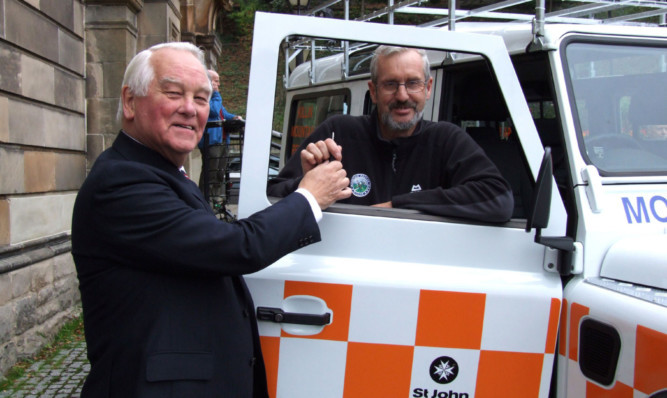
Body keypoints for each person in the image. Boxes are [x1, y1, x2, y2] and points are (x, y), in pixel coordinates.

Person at [71, 42, 351, 397]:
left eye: (202, 99)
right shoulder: (120, 182)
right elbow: (235, 246)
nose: (190, 109)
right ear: (130, 101)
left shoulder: (159, 171)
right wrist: (309, 197)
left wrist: (304, 182)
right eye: (173, 93)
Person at [268, 45, 514, 222]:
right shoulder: (338, 133)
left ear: (427, 88)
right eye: (391, 84)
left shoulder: (446, 140)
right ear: (373, 91)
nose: (403, 96)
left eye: (413, 83)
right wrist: (305, 185)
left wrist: (396, 205)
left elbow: (498, 198)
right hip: (341, 271)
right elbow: (272, 196)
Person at [198, 69, 241, 198]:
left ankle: (216, 200)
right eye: (216, 81)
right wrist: (215, 93)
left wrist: (234, 118)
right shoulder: (204, 97)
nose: (219, 84)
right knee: (210, 173)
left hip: (222, 141)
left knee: (220, 173)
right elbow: (214, 111)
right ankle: (204, 200)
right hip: (211, 141)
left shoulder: (216, 99)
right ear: (208, 82)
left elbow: (223, 113)